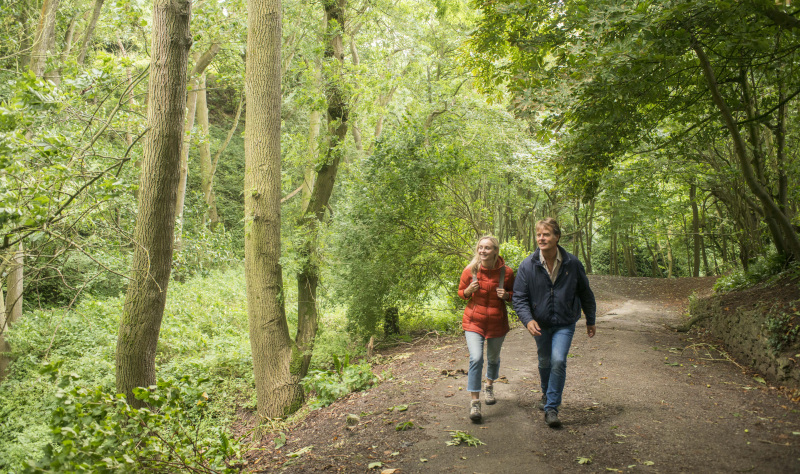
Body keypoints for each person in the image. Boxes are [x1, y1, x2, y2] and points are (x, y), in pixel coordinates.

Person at [512, 218, 596, 428]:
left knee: (558, 360)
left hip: (565, 322)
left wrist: (590, 319)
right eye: (539, 234)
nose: (542, 238)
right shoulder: (528, 265)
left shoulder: (572, 263)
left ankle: (551, 408)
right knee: (544, 361)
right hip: (539, 323)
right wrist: (528, 320)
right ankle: (545, 392)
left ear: (557, 237)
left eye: (546, 234)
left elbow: (585, 293)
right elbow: (519, 297)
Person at [458, 235, 515, 422]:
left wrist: (506, 295)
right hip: (474, 322)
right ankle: (475, 403)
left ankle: (489, 385)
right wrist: (468, 292)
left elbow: (516, 295)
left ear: (495, 251)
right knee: (476, 358)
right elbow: (461, 292)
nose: (483, 251)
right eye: (480, 247)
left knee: (492, 358)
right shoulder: (470, 270)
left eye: (488, 248)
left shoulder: (506, 273)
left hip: (497, 322)